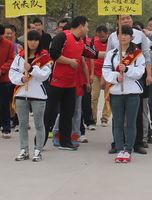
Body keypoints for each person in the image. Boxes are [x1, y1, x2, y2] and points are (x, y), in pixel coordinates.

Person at [44, 16, 104, 151]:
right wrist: (70, 62)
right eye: (87, 26)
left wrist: (114, 52)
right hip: (57, 81)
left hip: (71, 83)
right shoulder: (63, 37)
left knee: (68, 113)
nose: (88, 29)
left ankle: (65, 142)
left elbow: (94, 54)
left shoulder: (81, 43)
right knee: (50, 112)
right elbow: (54, 54)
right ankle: (40, 141)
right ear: (81, 26)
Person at [107, 15, 152, 154]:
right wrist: (110, 78)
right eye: (122, 19)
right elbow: (108, 58)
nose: (125, 21)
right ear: (118, 21)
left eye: (127, 18)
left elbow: (146, 55)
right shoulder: (112, 37)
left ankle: (137, 143)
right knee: (117, 117)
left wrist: (149, 74)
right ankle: (117, 143)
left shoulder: (140, 35)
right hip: (117, 81)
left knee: (136, 114)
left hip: (135, 81)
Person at [103, 25, 146, 163]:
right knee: (118, 123)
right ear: (117, 37)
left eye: (126, 34)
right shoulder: (112, 54)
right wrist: (116, 77)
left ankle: (128, 150)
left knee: (131, 123)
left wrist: (127, 69)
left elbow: (140, 72)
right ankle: (119, 149)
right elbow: (106, 71)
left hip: (132, 93)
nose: (123, 37)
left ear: (131, 37)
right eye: (121, 34)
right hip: (116, 93)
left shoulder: (137, 54)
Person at [9, 30, 52, 162]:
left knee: (39, 124)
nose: (33, 43)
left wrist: (32, 69)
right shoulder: (19, 57)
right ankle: (24, 150)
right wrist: (21, 79)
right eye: (30, 40)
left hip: (38, 95)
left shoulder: (45, 58)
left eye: (35, 40)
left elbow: (45, 75)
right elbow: (12, 73)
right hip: (22, 94)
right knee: (22, 124)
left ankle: (38, 150)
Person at [91, 25, 110, 126]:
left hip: (107, 73)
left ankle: (105, 118)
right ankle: (93, 118)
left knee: (108, 97)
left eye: (103, 37)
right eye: (99, 37)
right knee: (94, 97)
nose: (101, 39)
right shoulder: (93, 41)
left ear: (107, 34)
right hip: (95, 73)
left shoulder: (111, 42)